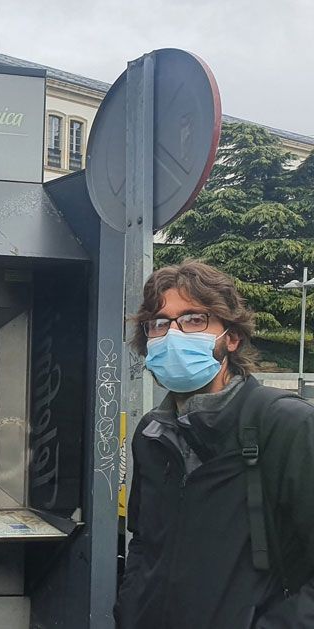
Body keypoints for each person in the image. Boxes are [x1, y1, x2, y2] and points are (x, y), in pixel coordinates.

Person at [116, 261, 314, 628]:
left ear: (231, 337)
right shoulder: (151, 433)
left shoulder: (286, 424)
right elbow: (144, 541)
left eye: (194, 319)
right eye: (159, 323)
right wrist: (129, 611)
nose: (173, 334)